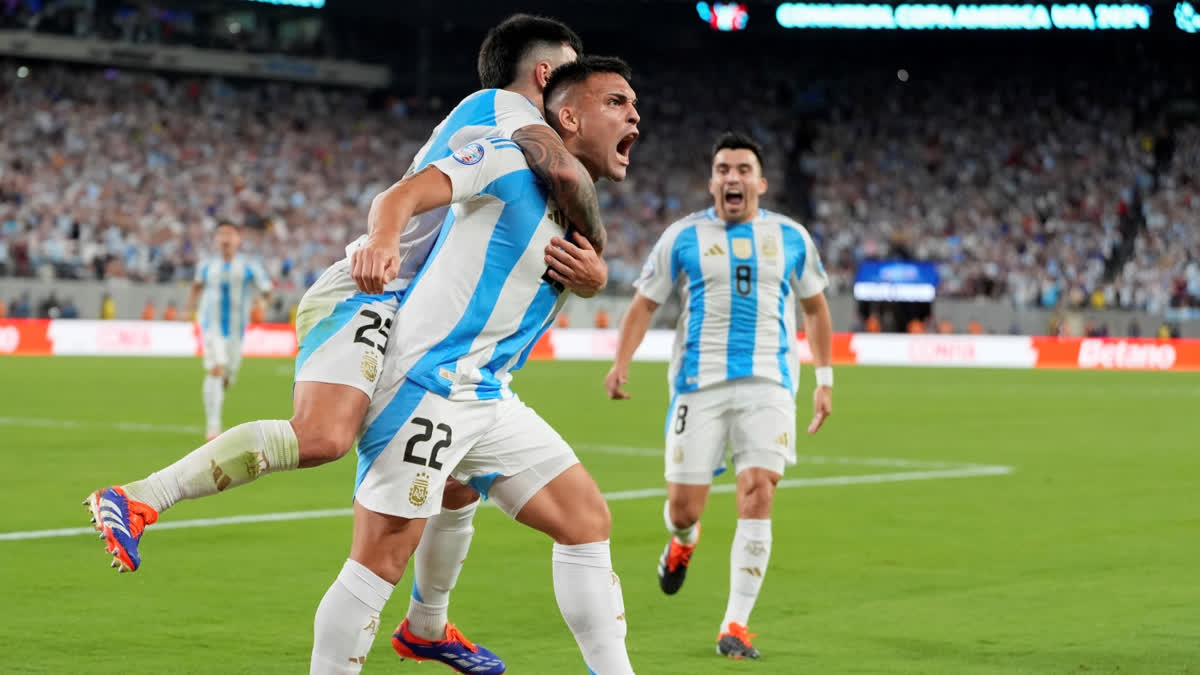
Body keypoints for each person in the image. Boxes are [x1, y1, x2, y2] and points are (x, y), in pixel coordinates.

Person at [84, 14, 607, 675]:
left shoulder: (492, 122)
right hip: (368, 292)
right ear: (543, 76)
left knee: (458, 479)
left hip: (417, 322)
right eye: (575, 82)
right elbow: (564, 173)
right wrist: (601, 253)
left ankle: (427, 626)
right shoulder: (509, 114)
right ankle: (138, 496)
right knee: (325, 436)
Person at [310, 56, 640, 675]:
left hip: (487, 394)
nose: (635, 118)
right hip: (426, 385)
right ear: (568, 116)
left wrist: (596, 275)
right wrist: (382, 240)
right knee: (380, 558)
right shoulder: (505, 158)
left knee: (586, 520)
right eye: (618, 103)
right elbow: (401, 195)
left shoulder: (575, 207)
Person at [603, 132, 835, 660]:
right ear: (712, 182)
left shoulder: (791, 237)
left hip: (769, 384)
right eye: (724, 169)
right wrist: (621, 363)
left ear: (761, 181)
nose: (733, 177)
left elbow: (817, 310)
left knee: (759, 489)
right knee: (685, 507)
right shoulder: (681, 238)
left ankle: (735, 624)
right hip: (698, 385)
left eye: (743, 169)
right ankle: (683, 540)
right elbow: (643, 305)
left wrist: (824, 380)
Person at [180, 222, 273, 440]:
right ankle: (213, 428)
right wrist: (188, 309)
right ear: (215, 238)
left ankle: (217, 399)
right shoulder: (206, 265)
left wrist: (262, 303)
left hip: (236, 331)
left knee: (226, 377)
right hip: (210, 326)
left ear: (238, 239)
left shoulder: (250, 266)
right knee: (217, 369)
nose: (225, 238)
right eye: (221, 233)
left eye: (229, 234)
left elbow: (267, 291)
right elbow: (196, 286)